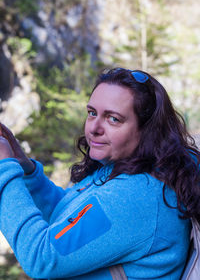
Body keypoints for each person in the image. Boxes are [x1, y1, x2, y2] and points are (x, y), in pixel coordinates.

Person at [0, 67, 199, 280]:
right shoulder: (126, 167)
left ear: (147, 130)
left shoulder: (136, 197)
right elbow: (70, 219)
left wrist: (5, 171)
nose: (94, 128)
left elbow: (41, 258)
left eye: (113, 119)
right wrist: (27, 171)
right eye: (92, 113)